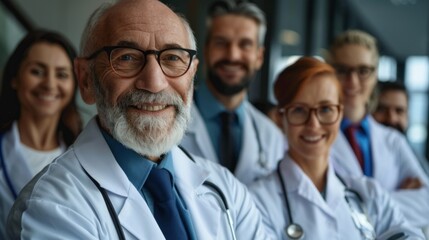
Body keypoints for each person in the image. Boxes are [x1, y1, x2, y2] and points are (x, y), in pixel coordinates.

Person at [7, 1, 271, 239]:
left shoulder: (226, 191)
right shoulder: (52, 206)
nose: (154, 83)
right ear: (86, 79)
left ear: (192, 75)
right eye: (127, 57)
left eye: (172, 58)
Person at [250, 56, 424, 240]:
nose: (314, 125)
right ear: (280, 119)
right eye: (299, 110)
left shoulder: (369, 193)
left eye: (325, 109)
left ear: (340, 114)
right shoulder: (258, 201)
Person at [326, 29, 429, 231]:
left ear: (375, 75)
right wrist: (393, 196)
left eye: (363, 71)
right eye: (342, 70)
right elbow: (324, 206)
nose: (352, 82)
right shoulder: (314, 135)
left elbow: (426, 203)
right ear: (330, 72)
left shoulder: (392, 140)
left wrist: (357, 204)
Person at [180, 0, 284, 185]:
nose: (232, 55)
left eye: (245, 45)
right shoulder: (170, 118)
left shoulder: (271, 137)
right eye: (221, 43)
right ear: (206, 50)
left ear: (259, 57)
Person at [0, 29, 82, 238]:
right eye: (37, 71)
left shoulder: (84, 155)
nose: (49, 84)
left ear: (74, 85)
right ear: (14, 78)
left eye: (62, 74)